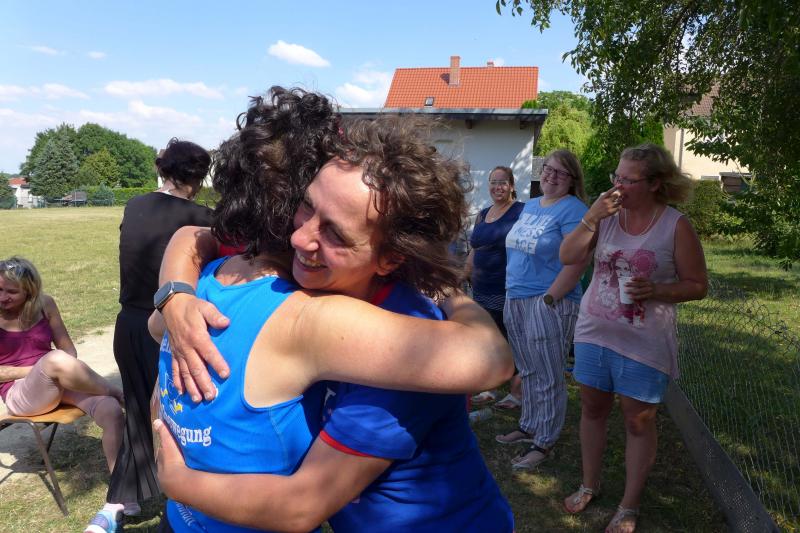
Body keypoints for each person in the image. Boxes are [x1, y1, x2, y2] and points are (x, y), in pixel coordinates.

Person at [149, 88, 515, 532]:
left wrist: (177, 480)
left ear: (390, 258)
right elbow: (196, 236)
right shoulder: (310, 283)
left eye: (335, 234)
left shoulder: (400, 342)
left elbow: (302, 505)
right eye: (306, 206)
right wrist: (175, 296)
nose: (300, 237)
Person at [559, 143, 707, 532]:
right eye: (616, 177)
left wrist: (656, 290)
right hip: (593, 332)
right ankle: (589, 484)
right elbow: (567, 256)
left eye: (628, 180)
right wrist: (590, 217)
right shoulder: (606, 216)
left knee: (638, 421)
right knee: (592, 409)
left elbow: (697, 285)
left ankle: (629, 505)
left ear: (655, 183)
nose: (618, 186)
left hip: (644, 341)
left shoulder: (675, 225)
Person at [86, 139, 215, 533]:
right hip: (165, 325)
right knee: (175, 416)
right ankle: (134, 501)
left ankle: (123, 501)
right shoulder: (203, 219)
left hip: (127, 324)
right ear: (199, 176)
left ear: (162, 169)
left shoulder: (135, 205)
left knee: (142, 413)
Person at [0, 256, 125, 527]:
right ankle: (115, 390)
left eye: (11, 291)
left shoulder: (45, 305)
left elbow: (69, 351)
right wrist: (38, 369)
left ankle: (121, 492)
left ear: (29, 291)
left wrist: (48, 369)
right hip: (20, 395)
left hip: (55, 382)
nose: (2, 297)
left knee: (110, 409)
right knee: (55, 360)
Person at [494, 150, 589, 470]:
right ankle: (529, 425)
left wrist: (549, 299)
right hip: (516, 297)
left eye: (560, 172)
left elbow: (578, 261)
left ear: (572, 180)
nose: (551, 175)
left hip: (550, 300)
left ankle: (544, 441)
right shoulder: (531, 205)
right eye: (548, 169)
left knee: (548, 373)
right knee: (528, 369)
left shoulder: (575, 210)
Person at [468, 166, 524, 409]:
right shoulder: (482, 214)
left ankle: (517, 392)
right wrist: (462, 273)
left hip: (506, 288)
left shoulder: (521, 211)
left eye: (502, 182)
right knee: (488, 338)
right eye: (493, 182)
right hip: (481, 287)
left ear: (512, 186)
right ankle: (490, 387)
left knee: (512, 338)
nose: (497, 186)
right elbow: (475, 250)